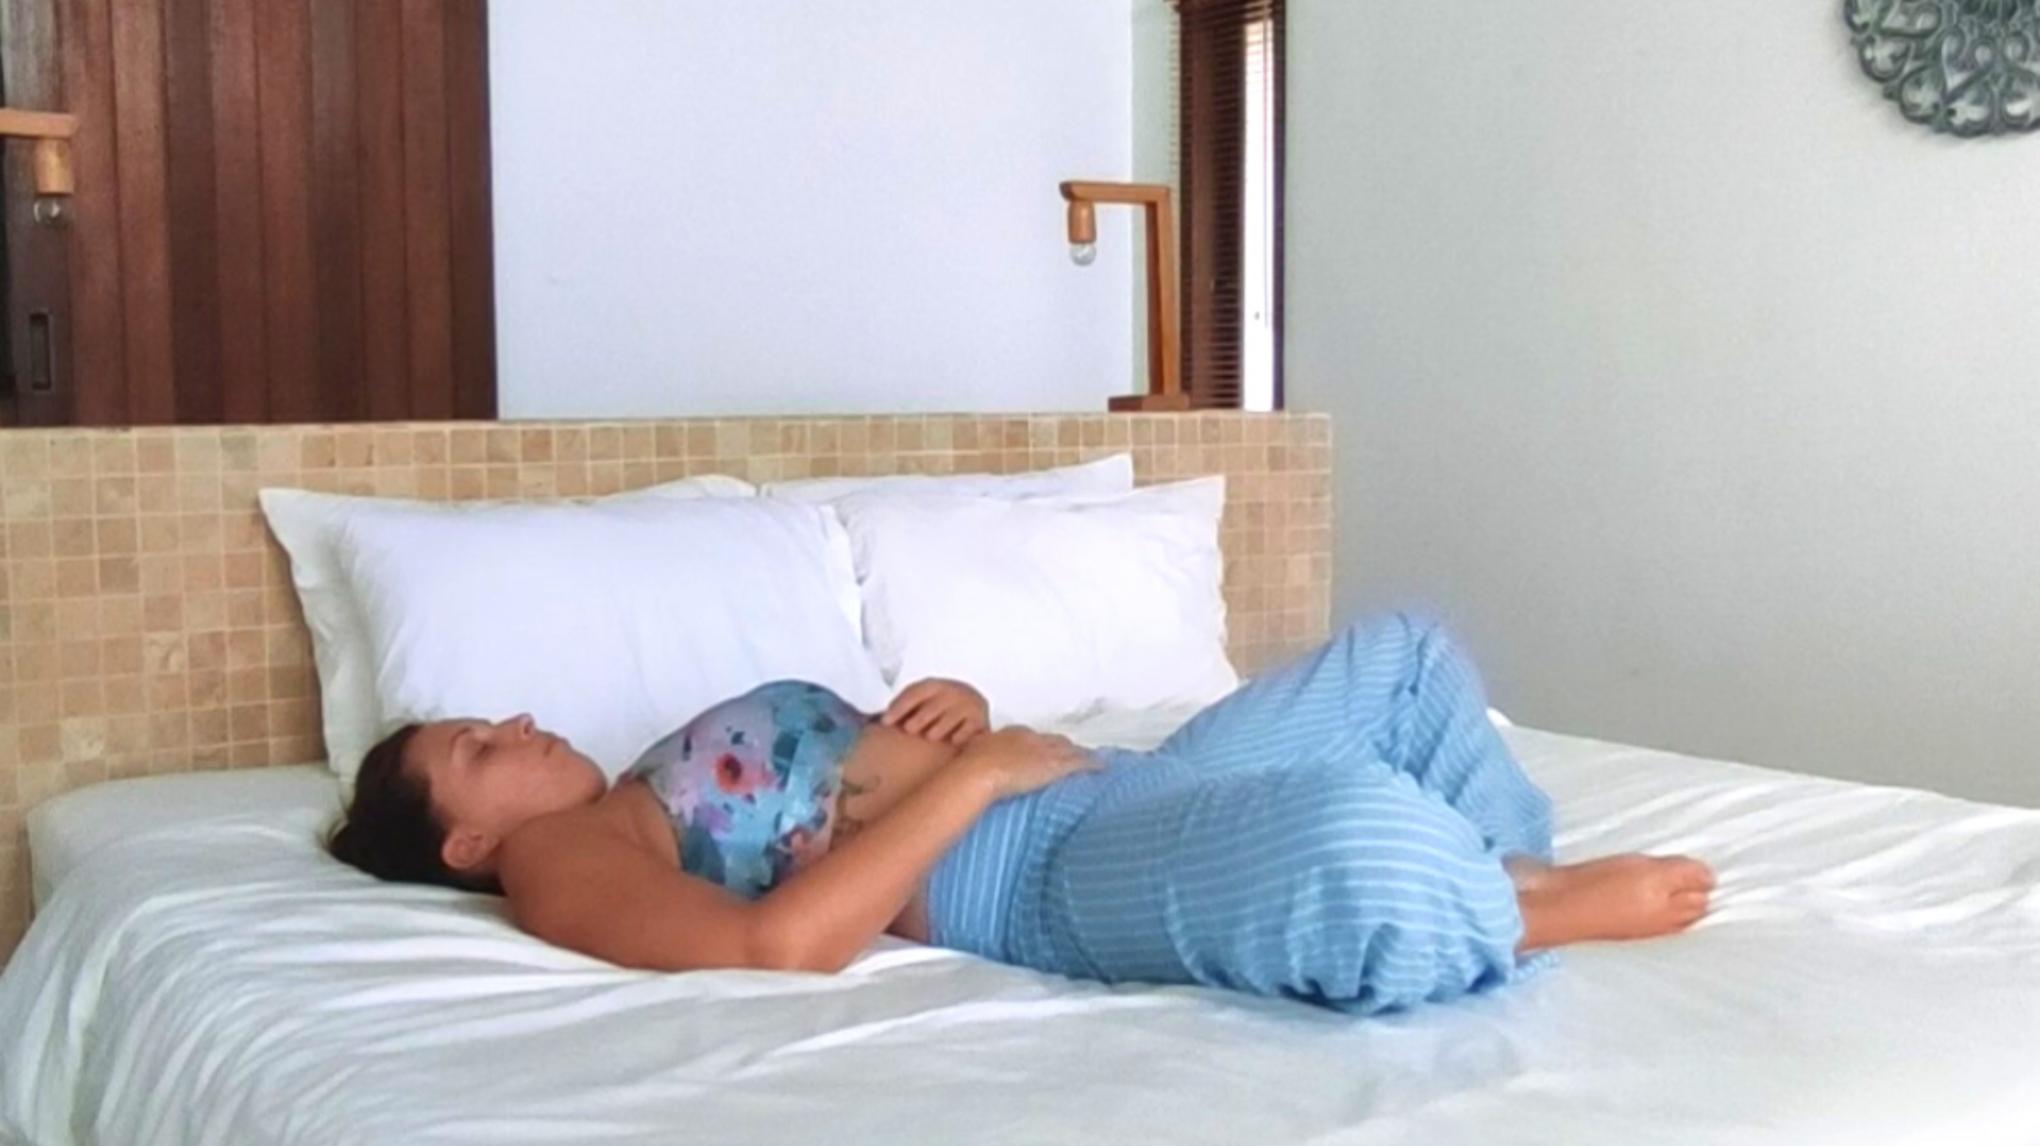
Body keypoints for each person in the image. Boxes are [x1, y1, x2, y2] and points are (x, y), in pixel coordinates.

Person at [329, 613, 1713, 1014]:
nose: (518, 724)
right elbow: (777, 949)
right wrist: (979, 777)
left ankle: (1510, 861)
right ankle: (1505, 914)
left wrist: (960, 716)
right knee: (1349, 829)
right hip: (1035, 881)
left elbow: (847, 777)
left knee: (1403, 659)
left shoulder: (646, 782)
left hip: (1094, 785)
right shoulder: (556, 861)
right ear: (466, 840)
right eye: (478, 747)